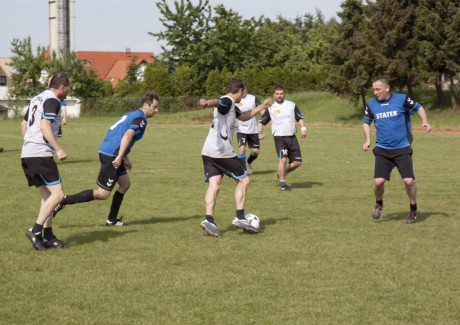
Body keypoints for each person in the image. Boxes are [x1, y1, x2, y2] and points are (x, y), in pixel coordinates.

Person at [51, 92, 159, 226]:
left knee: (125, 184)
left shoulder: (131, 114)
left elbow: (117, 134)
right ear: (145, 105)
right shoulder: (141, 119)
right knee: (102, 194)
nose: (156, 110)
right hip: (112, 155)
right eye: (154, 107)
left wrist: (125, 157)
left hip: (108, 150)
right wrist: (120, 156)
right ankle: (64, 200)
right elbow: (128, 134)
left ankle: (111, 220)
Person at [199, 78, 272, 237]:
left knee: (215, 184)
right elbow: (219, 102)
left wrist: (262, 106)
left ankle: (209, 219)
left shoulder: (232, 106)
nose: (243, 95)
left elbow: (244, 116)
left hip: (208, 151)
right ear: (239, 90)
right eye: (243, 92)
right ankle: (239, 217)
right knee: (243, 180)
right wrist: (207, 103)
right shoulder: (228, 101)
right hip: (222, 152)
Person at [363, 76, 432, 224]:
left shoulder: (401, 99)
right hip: (382, 149)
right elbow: (366, 122)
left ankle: (413, 210)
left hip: (402, 148)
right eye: (373, 89)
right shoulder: (372, 104)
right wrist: (368, 140)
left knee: (408, 181)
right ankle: (379, 203)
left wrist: (424, 121)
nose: (375, 92)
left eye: (378, 89)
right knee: (378, 182)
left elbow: (419, 107)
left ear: (387, 88)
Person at [21, 72, 71, 250]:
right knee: (58, 195)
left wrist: (28, 144)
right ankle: (35, 230)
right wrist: (58, 148)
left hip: (28, 153)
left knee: (48, 196)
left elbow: (24, 124)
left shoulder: (37, 98)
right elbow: (44, 125)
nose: (69, 90)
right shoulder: (53, 100)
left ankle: (48, 236)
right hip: (40, 153)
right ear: (62, 87)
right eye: (69, 87)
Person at [258, 86, 307, 191]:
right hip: (279, 138)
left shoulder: (291, 105)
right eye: (277, 94)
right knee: (283, 159)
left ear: (284, 94)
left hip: (292, 137)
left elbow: (300, 117)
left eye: (281, 93)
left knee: (297, 163)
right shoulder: (271, 109)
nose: (279, 95)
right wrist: (259, 133)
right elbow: (261, 122)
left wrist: (303, 128)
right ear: (274, 95)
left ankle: (282, 173)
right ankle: (282, 182)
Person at [235, 87, 262, 175]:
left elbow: (262, 109)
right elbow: (230, 112)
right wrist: (233, 122)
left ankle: (248, 162)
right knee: (242, 149)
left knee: (255, 151)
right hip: (241, 129)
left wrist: (266, 116)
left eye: (243, 90)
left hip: (253, 130)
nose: (242, 92)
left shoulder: (253, 98)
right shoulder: (234, 99)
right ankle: (242, 171)